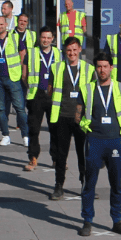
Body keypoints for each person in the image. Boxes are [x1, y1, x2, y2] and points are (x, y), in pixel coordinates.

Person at [77, 52, 121, 237]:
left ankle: (117, 220)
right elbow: (78, 115)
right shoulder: (86, 89)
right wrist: (87, 127)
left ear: (111, 68)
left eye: (105, 66)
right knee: (89, 183)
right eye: (99, 66)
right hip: (94, 141)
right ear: (95, 68)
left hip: (115, 141)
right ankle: (87, 220)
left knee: (117, 184)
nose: (102, 70)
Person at [45, 36, 90, 201]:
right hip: (62, 115)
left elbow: (93, 93)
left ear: (79, 50)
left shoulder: (88, 68)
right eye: (69, 50)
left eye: (74, 50)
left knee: (83, 154)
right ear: (65, 51)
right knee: (61, 154)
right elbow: (50, 90)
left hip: (81, 117)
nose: (72, 53)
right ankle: (58, 186)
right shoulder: (56, 67)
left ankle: (85, 184)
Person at [0, 13, 29, 147]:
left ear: (6, 25)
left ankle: (25, 135)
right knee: (1, 108)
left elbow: (23, 53)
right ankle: (5, 135)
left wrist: (23, 71)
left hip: (13, 77)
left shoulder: (15, 38)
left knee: (20, 108)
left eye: (1, 24)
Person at [23, 26, 59, 174]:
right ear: (39, 38)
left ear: (52, 39)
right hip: (36, 95)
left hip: (53, 95)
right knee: (33, 129)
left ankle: (57, 159)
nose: (46, 40)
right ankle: (33, 157)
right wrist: (32, 88)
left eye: (48, 37)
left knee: (55, 129)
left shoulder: (58, 54)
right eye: (43, 37)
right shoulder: (31, 53)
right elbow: (24, 76)